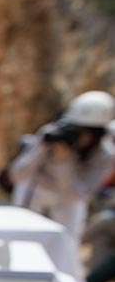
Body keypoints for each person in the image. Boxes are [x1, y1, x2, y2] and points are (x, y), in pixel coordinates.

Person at [9, 90, 115, 241]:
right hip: (33, 200)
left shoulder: (106, 155)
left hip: (68, 209)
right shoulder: (51, 136)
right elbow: (17, 175)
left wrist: (63, 162)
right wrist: (43, 149)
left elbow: (78, 195)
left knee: (63, 251)